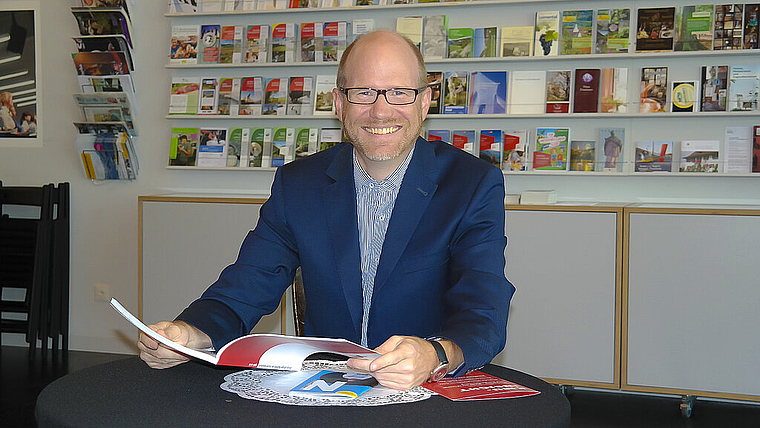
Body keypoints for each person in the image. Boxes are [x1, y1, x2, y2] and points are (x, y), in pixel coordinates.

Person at [138, 30, 515, 391]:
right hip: (324, 390)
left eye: (399, 92)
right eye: (363, 92)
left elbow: (483, 312)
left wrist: (435, 354)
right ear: (339, 103)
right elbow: (245, 287)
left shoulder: (472, 184)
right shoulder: (298, 185)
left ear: (424, 101)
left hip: (428, 392)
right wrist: (189, 334)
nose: (380, 111)